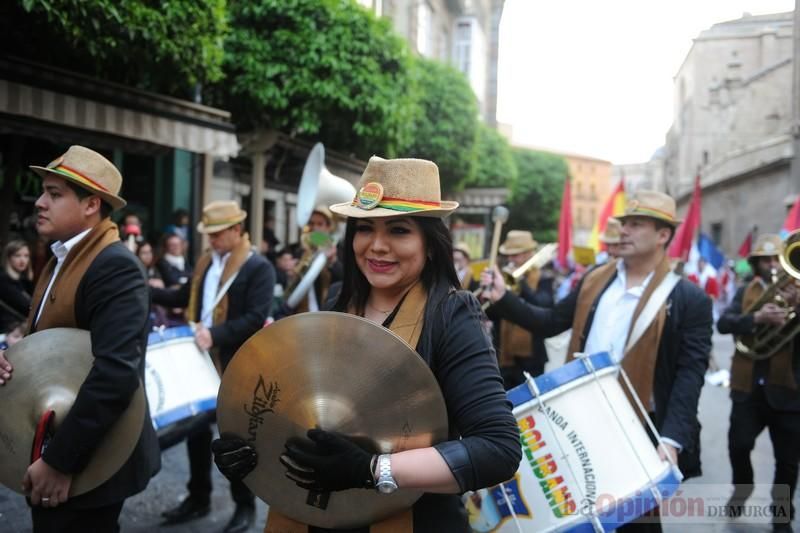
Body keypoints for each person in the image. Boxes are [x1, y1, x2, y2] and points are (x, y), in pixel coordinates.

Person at [211, 156, 521, 532]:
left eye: (399, 230)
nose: (376, 246)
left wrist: (372, 470)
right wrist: (253, 453)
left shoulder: (452, 314)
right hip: (312, 518)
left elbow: (498, 450)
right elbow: (311, 414)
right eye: (364, 229)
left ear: (431, 241)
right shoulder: (338, 301)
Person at [481, 190, 712, 531]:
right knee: (579, 513)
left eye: (636, 224)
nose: (624, 230)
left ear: (663, 235)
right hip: (581, 416)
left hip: (640, 426)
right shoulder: (595, 278)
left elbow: (689, 374)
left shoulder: (688, 298)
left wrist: (671, 440)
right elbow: (549, 322)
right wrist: (502, 298)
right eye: (624, 223)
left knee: (636, 522)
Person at [0, 145, 160, 532]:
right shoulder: (62, 257)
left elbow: (114, 375)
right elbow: (51, 343)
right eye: (44, 191)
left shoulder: (114, 266)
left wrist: (60, 463)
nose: (40, 202)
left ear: (91, 205)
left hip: (93, 457)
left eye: (55, 194)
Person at [152, 200, 275, 533]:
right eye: (209, 235)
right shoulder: (206, 262)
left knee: (236, 439)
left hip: (236, 364)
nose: (211, 241)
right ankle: (198, 497)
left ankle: (245, 507)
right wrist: (148, 291)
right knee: (196, 433)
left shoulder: (258, 267)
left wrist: (215, 335)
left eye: (217, 234)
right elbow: (184, 298)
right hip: (202, 359)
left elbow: (255, 317)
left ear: (237, 230)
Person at [717, 233, 800, 530]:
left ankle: (781, 516)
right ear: (755, 264)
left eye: (777, 258)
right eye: (765, 259)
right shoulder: (744, 292)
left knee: (788, 462)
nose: (772, 265)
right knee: (738, 446)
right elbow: (723, 323)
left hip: (788, 392)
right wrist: (756, 319)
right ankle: (743, 487)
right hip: (747, 388)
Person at [484, 230, 554, 388]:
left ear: (529, 254)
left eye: (515, 255)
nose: (511, 259)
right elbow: (492, 315)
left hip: (531, 357)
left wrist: (521, 284)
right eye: (509, 255)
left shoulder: (544, 276)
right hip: (505, 354)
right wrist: (490, 294)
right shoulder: (502, 278)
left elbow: (544, 306)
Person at [0, 240, 34, 333]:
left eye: (26, 256)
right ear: (8, 257)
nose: (23, 260)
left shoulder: (24, 280)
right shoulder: (3, 280)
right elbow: (27, 306)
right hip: (8, 332)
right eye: (17, 255)